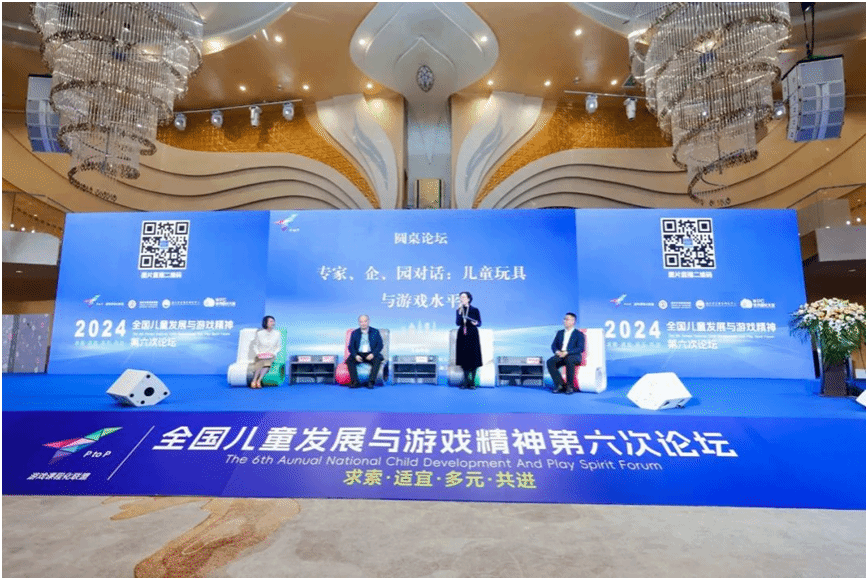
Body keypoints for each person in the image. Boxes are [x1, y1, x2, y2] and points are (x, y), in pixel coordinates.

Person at [547, 312, 585, 394]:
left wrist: (567, 352)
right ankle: (560, 385)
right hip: (561, 355)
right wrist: (557, 351)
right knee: (550, 362)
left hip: (573, 356)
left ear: (573, 321)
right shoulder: (560, 333)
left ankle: (570, 386)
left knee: (569, 359)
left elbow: (580, 348)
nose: (564, 321)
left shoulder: (579, 334)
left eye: (567, 319)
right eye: (564, 319)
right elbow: (553, 345)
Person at [346, 314, 384, 389]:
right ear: (359, 323)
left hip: (371, 353)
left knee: (377, 360)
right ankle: (355, 382)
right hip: (359, 353)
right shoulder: (354, 332)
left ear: (369, 321)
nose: (363, 323)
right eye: (361, 322)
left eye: (365, 321)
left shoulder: (375, 331)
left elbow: (380, 345)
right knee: (349, 360)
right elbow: (351, 347)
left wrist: (373, 354)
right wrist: (355, 355)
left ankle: (371, 382)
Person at [455, 291, 482, 389]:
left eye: (463, 297)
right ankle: (465, 382)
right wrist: (459, 312)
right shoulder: (459, 310)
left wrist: (476, 323)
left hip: (472, 334)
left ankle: (472, 382)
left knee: (473, 358)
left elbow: (480, 323)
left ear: (469, 299)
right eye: (460, 297)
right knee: (464, 358)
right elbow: (457, 323)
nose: (461, 299)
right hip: (462, 334)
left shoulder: (475, 310)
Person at [251, 315, 282, 389]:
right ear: (266, 322)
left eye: (273, 321)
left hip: (271, 355)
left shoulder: (277, 333)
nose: (273, 323)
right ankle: (254, 380)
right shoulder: (259, 333)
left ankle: (258, 380)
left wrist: (273, 353)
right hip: (260, 355)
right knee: (261, 362)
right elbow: (255, 346)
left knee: (267, 362)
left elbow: (278, 347)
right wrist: (258, 353)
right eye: (271, 321)